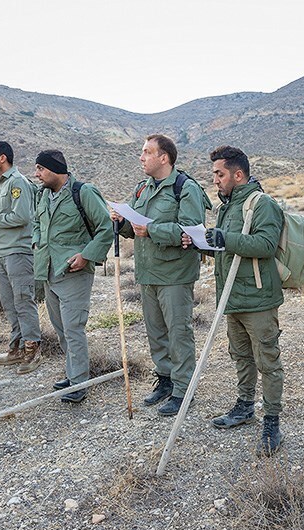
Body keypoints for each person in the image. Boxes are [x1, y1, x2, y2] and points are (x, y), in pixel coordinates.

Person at [111, 134, 210, 416]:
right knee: (156, 332)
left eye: (146, 152)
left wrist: (152, 230)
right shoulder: (142, 189)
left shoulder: (185, 188)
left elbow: (193, 229)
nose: (141, 157)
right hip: (148, 271)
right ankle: (165, 380)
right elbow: (134, 227)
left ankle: (183, 390)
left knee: (178, 333)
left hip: (175, 273)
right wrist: (122, 221)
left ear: (163, 157)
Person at [201, 145, 286, 457]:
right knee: (240, 355)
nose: (215, 180)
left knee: (268, 360)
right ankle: (245, 406)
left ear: (238, 174)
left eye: (219, 174)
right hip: (231, 297)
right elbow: (227, 250)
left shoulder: (262, 204)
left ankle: (272, 421)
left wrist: (226, 239)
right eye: (214, 174)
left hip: (258, 298)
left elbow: (264, 244)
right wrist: (203, 244)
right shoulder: (226, 207)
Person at [32, 150, 112, 403]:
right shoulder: (42, 195)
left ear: (55, 169)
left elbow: (105, 227)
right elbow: (37, 224)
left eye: (40, 169)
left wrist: (86, 255)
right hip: (48, 270)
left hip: (74, 271)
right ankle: (72, 373)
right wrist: (36, 241)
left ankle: (79, 382)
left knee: (73, 328)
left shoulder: (83, 192)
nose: (37, 174)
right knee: (61, 329)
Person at [0, 141, 42, 374]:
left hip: (17, 251)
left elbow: (21, 216)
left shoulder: (17, 183)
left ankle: (32, 350)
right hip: (1, 251)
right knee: (11, 305)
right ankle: (17, 348)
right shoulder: (2, 184)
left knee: (23, 301)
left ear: (2, 158)